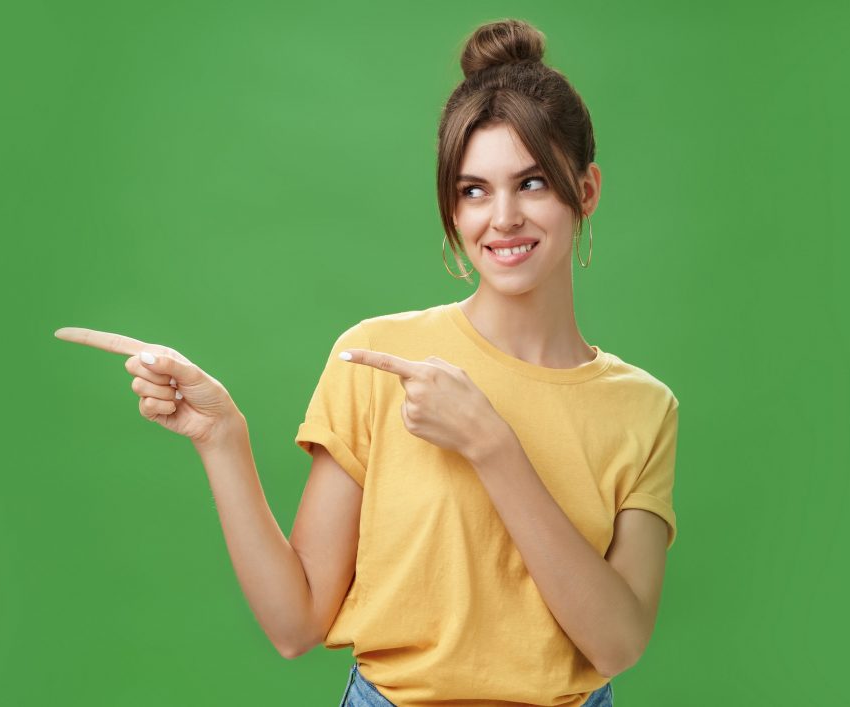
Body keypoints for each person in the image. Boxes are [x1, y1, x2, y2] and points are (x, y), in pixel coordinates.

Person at [56, 19, 674, 707]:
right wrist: (221, 437)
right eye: (473, 190)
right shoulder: (381, 360)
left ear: (585, 191)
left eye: (531, 183)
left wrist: (491, 445)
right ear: (451, 208)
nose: (502, 218)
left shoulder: (643, 408)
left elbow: (617, 644)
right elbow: (297, 624)